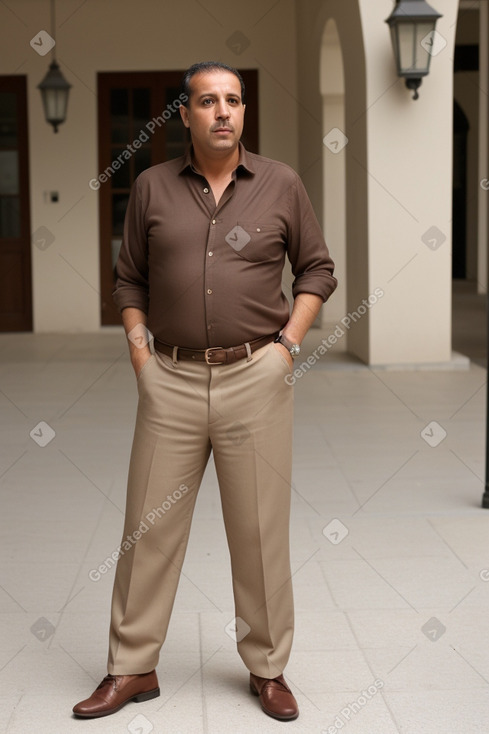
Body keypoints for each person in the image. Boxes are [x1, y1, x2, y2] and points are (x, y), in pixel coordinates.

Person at [73, 60, 337, 722]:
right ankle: (131, 667)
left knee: (258, 531)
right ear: (183, 115)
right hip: (172, 379)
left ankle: (267, 668)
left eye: (234, 101)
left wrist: (286, 349)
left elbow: (316, 268)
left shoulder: (280, 184)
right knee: (147, 529)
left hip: (257, 376)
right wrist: (141, 357)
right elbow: (127, 278)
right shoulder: (153, 187)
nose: (223, 111)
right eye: (207, 101)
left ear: (243, 113)